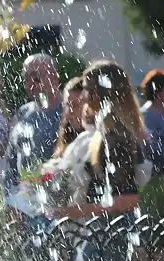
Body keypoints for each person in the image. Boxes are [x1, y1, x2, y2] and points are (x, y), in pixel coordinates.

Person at [53, 60, 147, 220]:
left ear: (102, 94)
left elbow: (129, 200)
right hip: (100, 231)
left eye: (87, 90)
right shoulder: (105, 132)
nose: (83, 97)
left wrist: (71, 212)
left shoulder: (118, 137)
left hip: (114, 234)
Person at [4, 54, 62, 194]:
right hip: (23, 202)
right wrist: (9, 197)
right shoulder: (23, 112)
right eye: (26, 79)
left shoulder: (69, 112)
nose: (31, 84)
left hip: (56, 200)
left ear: (54, 76)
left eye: (36, 78)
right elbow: (11, 159)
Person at [52, 77, 85, 158]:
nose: (69, 111)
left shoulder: (98, 139)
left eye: (75, 105)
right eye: (67, 105)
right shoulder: (66, 136)